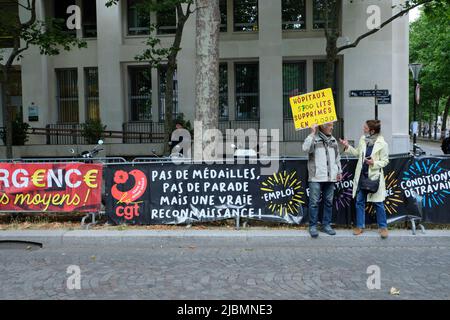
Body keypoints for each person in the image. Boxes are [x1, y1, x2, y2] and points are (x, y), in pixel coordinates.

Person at [339, 120, 389, 239]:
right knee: (359, 201)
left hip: (374, 177)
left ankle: (383, 227)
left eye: (365, 127)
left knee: (378, 203)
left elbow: (385, 161)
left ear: (372, 130)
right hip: (362, 176)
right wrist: (347, 146)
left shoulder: (383, 144)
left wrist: (374, 163)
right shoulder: (363, 139)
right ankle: (360, 226)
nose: (363, 128)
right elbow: (357, 153)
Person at [302, 122, 342, 238]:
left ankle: (326, 225)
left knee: (328, 202)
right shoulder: (313, 138)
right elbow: (305, 148)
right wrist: (312, 133)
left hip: (330, 177)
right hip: (316, 176)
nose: (332, 127)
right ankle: (313, 226)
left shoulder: (333, 140)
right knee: (314, 203)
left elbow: (337, 157)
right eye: (330, 125)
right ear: (323, 126)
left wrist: (339, 171)